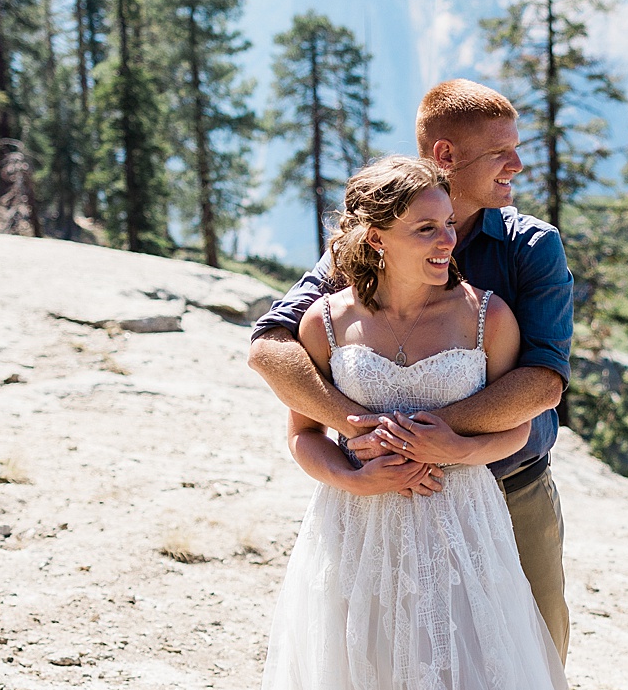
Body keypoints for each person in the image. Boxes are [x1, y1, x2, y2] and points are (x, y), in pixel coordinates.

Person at [236, 156, 628, 690]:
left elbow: (521, 419)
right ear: (372, 239)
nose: (448, 241)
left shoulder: (485, 316)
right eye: (426, 229)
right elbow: (301, 437)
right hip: (359, 537)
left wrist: (455, 449)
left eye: (449, 225)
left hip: (460, 533)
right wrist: (353, 477)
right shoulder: (326, 324)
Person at [248, 80, 579, 660]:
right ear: (446, 156)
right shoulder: (378, 238)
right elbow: (270, 345)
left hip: (511, 488)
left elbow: (543, 383)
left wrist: (430, 434)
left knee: (534, 662)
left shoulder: (531, 248)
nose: (518, 165)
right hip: (389, 503)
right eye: (502, 151)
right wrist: (359, 427)